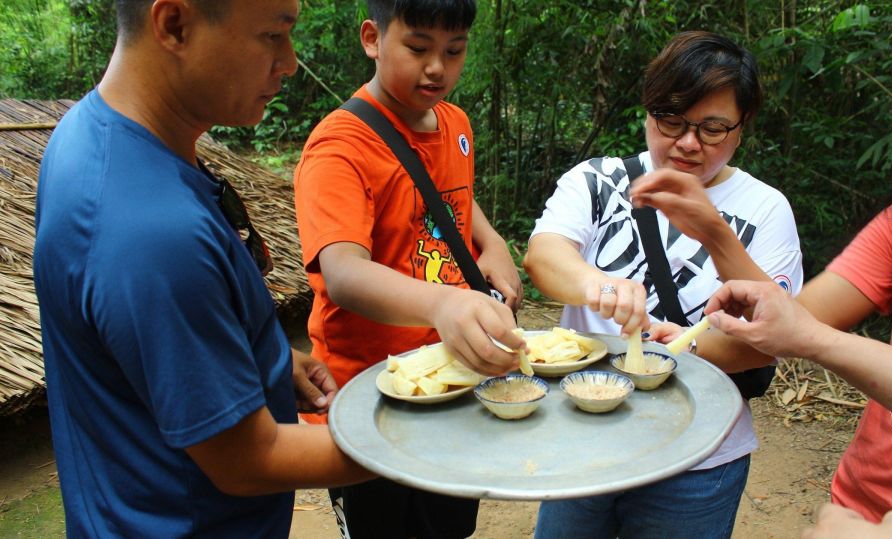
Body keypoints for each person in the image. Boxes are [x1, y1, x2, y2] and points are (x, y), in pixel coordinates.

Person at [32, 1, 373, 536]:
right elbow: (249, 460)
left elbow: (141, 336)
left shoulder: (91, 135)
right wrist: (418, 448)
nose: (289, 61)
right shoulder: (152, 232)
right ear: (174, 24)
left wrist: (262, 359)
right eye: (272, 36)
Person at [657, 1, 892, 536]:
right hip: (860, 507)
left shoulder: (769, 205)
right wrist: (674, 347)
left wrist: (812, 339)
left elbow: (800, 332)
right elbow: (780, 326)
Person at [523, 31, 803, 539]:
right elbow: (544, 257)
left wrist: (715, 230)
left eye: (713, 128)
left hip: (700, 458)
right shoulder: (600, 180)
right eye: (671, 120)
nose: (688, 142)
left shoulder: (765, 208)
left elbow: (770, 338)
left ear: (741, 129)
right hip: (583, 441)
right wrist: (600, 286)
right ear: (648, 112)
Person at [293, 1, 523, 537]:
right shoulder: (340, 146)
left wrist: (493, 245)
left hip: (455, 382)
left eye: (454, 50)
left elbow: (452, 200)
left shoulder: (455, 123)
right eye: (417, 48)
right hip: (372, 396)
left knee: (448, 526)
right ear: (372, 38)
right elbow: (345, 273)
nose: (437, 67)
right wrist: (446, 302)